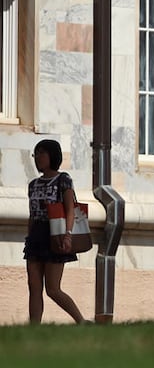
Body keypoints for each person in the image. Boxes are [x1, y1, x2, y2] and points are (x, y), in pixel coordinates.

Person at [24, 139, 88, 324]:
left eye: (42, 153)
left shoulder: (63, 179)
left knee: (52, 289)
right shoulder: (33, 184)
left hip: (55, 234)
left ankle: (80, 320)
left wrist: (68, 234)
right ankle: (34, 327)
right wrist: (29, 237)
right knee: (34, 286)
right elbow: (31, 213)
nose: (38, 158)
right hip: (36, 236)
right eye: (36, 154)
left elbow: (70, 209)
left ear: (52, 155)